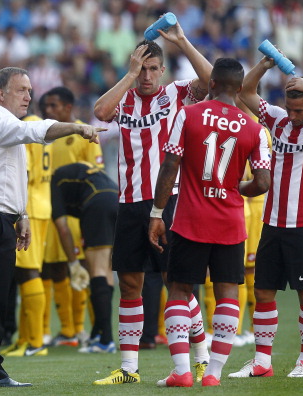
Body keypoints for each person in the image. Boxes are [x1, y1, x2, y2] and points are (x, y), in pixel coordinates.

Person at [0, 66, 103, 388]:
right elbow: (37, 131)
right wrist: (78, 129)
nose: (29, 95)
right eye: (21, 89)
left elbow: (11, 174)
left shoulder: (2, 123)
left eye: (29, 90)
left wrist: (21, 215)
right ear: (0, 93)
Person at [92, 22, 213, 385]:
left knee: (176, 283)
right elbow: (100, 111)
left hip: (170, 199)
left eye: (151, 69)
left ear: (162, 70)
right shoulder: (123, 97)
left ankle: (201, 357)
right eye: (140, 68)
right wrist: (128, 75)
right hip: (129, 202)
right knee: (129, 284)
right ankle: (129, 369)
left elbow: (211, 82)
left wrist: (182, 41)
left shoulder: (177, 93)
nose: (145, 75)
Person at [148, 57, 271, 387]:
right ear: (241, 88)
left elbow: (170, 165)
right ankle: (213, 374)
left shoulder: (187, 115)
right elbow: (262, 182)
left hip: (190, 218)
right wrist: (235, 189)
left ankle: (182, 371)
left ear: (211, 83)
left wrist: (157, 213)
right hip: (231, 220)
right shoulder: (255, 129)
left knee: (179, 290)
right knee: (228, 293)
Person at [228, 52, 303, 379]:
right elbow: (245, 93)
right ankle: (262, 361)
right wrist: (265, 66)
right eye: (291, 108)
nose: (294, 115)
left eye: (301, 110)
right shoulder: (279, 120)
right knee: (263, 291)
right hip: (273, 222)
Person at [41, 86, 104, 349]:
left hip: (75, 213)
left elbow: (95, 172)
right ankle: (66, 331)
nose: (49, 111)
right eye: (47, 106)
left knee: (79, 266)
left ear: (68, 107)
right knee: (54, 268)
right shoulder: (45, 134)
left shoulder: (85, 133)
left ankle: (84, 329)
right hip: (47, 210)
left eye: (54, 106)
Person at [1, 95, 53, 358]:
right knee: (24, 273)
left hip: (30, 206)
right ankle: (24, 339)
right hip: (43, 205)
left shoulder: (28, 128)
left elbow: (25, 171)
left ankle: (35, 342)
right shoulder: (42, 127)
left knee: (29, 273)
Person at [51, 162, 118, 354]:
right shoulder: (75, 172)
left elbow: (63, 228)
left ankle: (105, 341)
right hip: (116, 197)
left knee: (97, 270)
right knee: (105, 270)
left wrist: (73, 264)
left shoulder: (54, 181)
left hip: (97, 202)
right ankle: (99, 333)